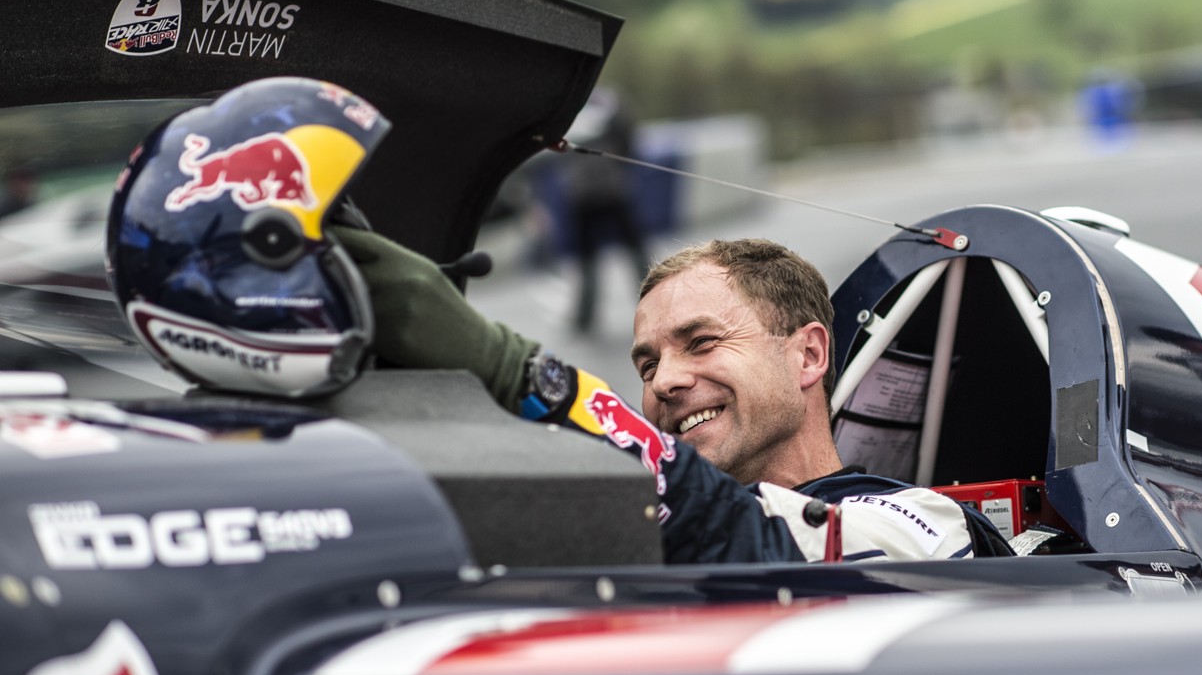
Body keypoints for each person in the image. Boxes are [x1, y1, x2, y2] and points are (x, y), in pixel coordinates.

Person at [332, 227, 1008, 564]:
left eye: (702, 342)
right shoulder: (647, 533)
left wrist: (512, 371)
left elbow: (744, 534)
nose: (664, 381)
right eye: (648, 363)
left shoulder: (924, 525)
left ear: (808, 355)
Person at [556, 88, 652, 334]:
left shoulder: (565, 103)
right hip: (611, 190)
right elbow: (630, 138)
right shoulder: (612, 102)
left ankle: (584, 318)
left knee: (589, 259)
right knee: (634, 253)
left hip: (585, 193)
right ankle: (654, 306)